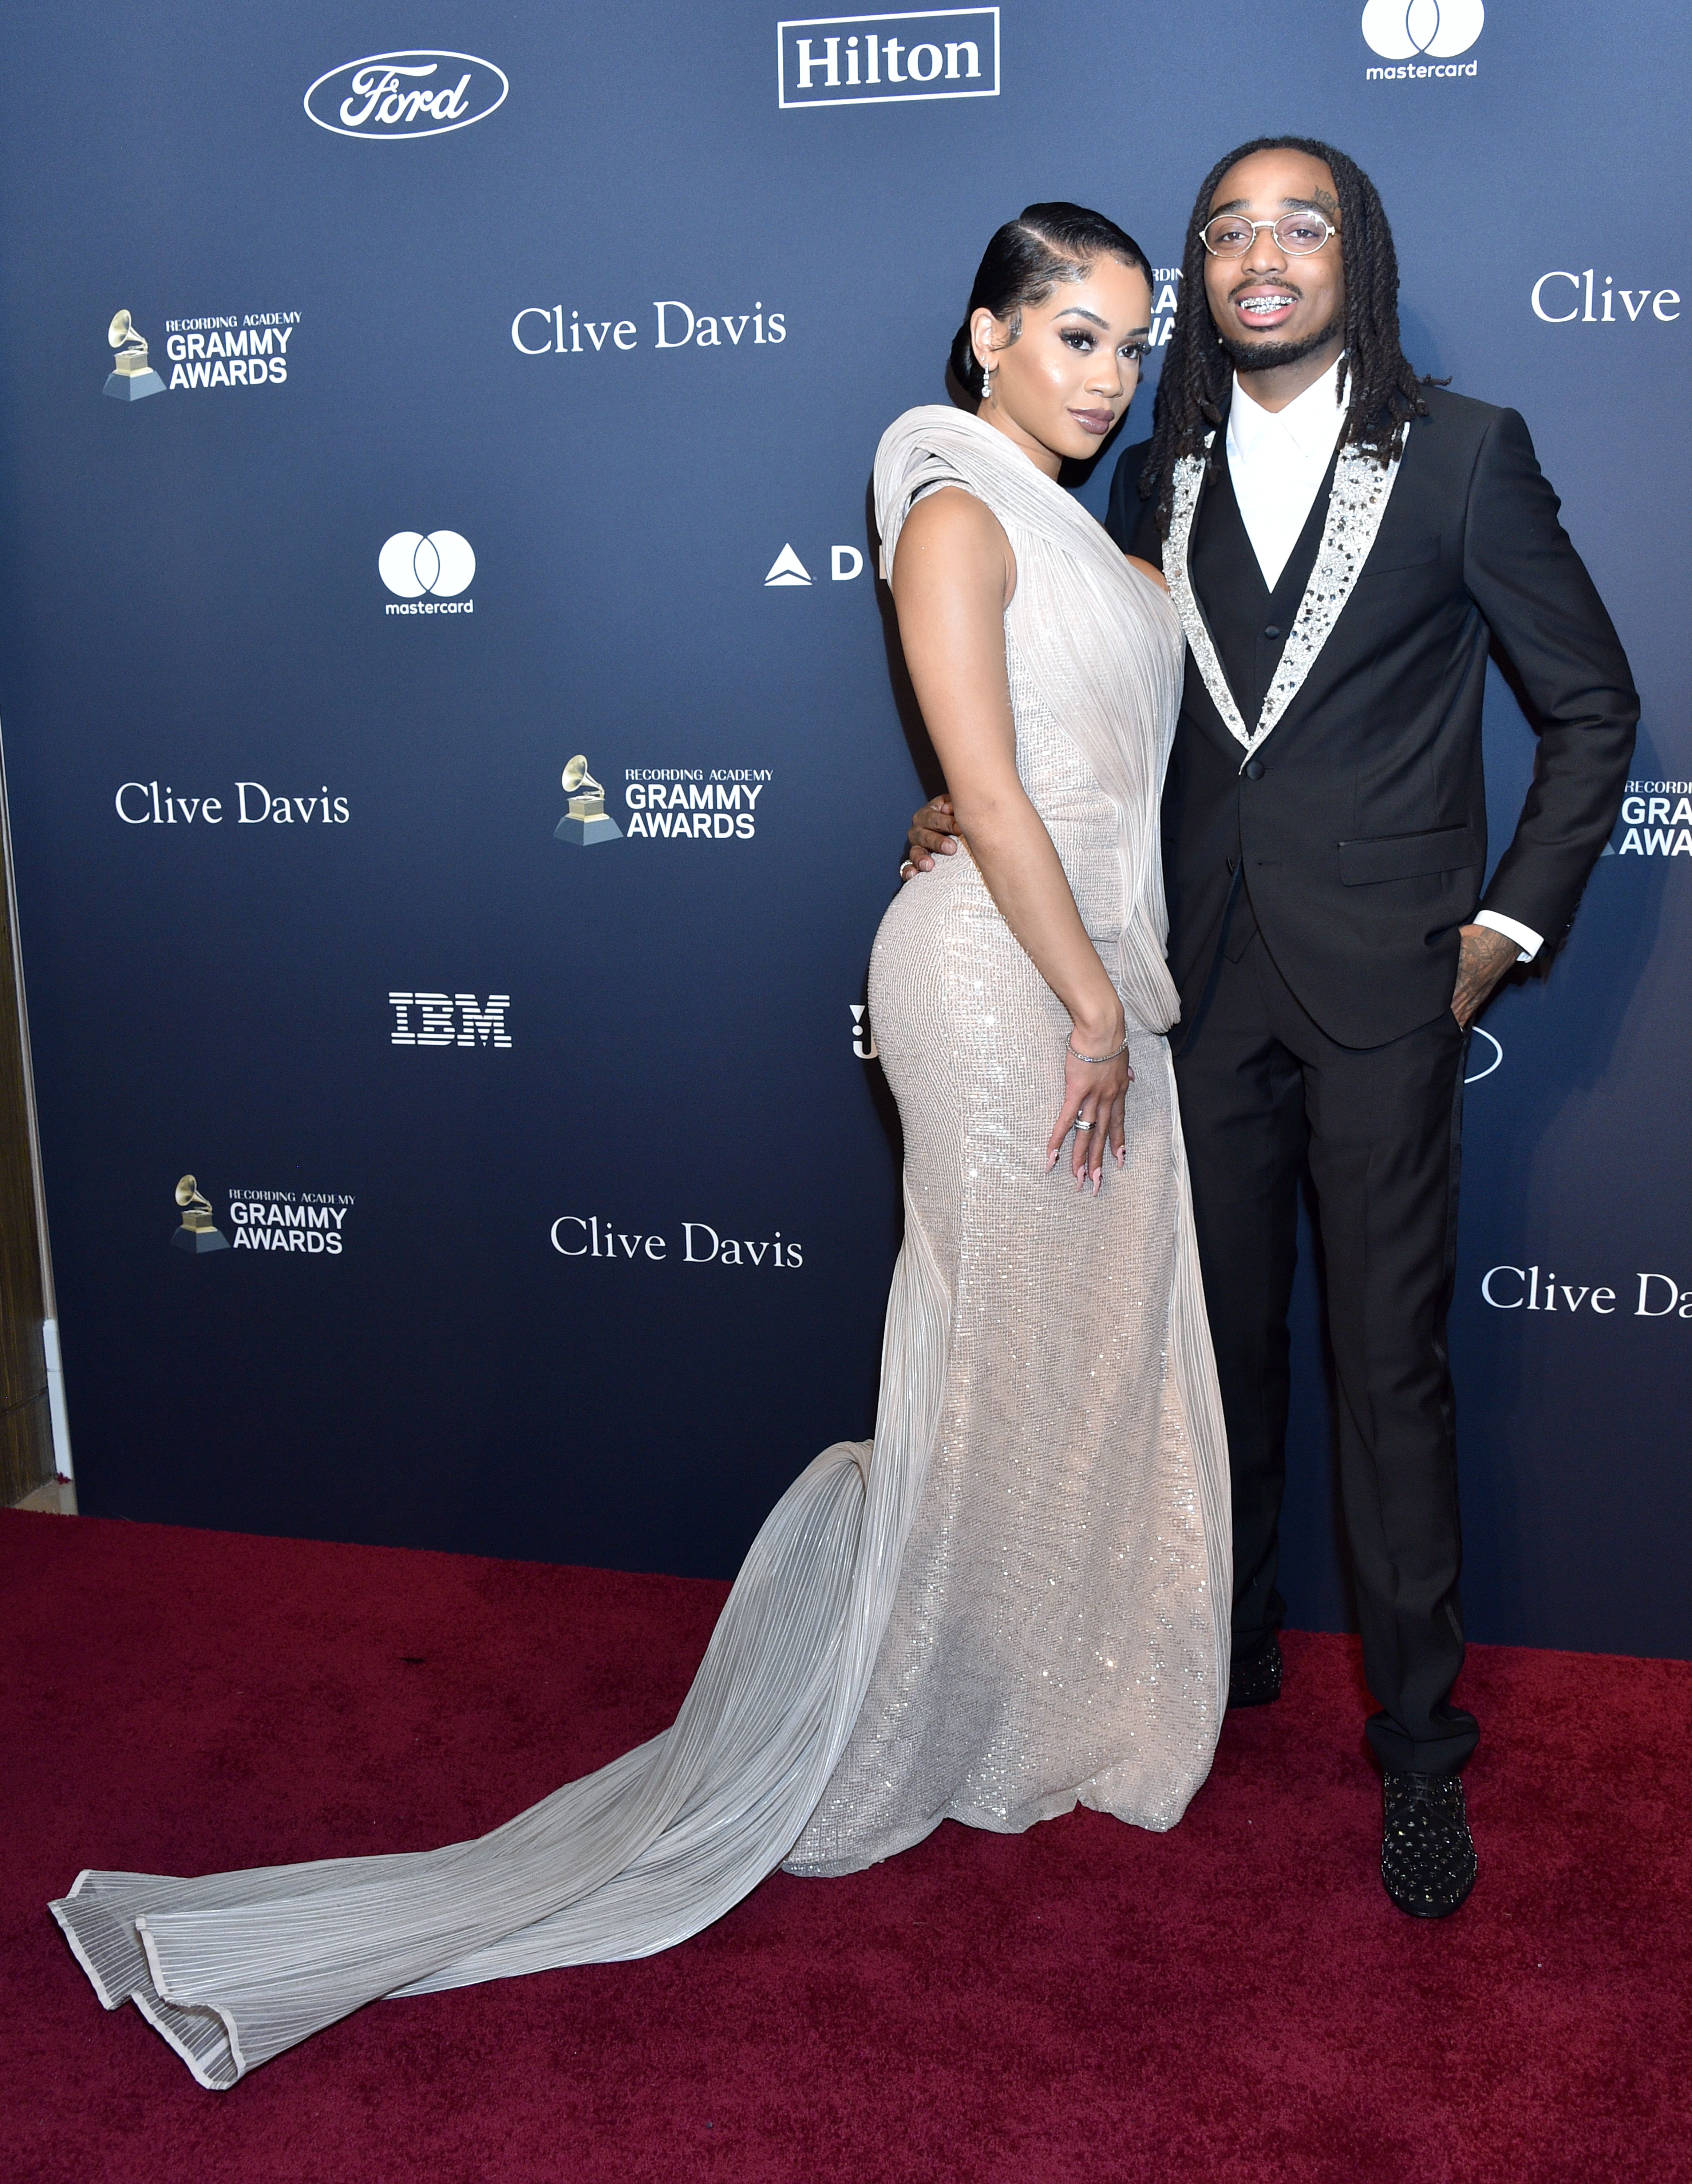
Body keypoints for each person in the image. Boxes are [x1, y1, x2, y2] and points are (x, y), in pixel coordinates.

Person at [51, 205, 1230, 2088]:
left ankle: (1038, 1709)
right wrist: (1088, 1007)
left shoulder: (1098, 532)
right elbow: (991, 786)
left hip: (1093, 981)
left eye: (1121, 342)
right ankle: (911, 1707)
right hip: (1019, 992)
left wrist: (1103, 983)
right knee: (994, 1342)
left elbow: (1065, 767)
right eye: (1067, 333)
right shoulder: (948, 510)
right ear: (986, 336)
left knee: (1071, 1365)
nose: (1100, 372)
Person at [904, 138, 1639, 1919]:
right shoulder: (1146, 467)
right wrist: (965, 809)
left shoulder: (1466, 453)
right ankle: (1211, 1672)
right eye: (1227, 228)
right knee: (1201, 1358)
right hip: (1184, 990)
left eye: (1297, 224)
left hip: (1391, 993)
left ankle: (1415, 1760)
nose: (1259, 253)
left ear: (1353, 255)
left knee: (1386, 1377)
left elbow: (1591, 708)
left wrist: (1498, 933)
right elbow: (1068, 694)